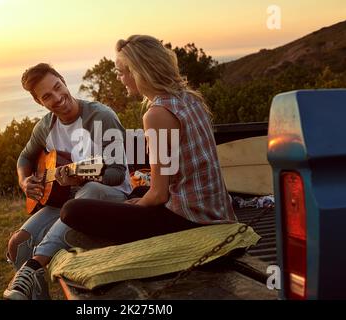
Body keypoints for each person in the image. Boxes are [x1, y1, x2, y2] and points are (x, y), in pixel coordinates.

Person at [60, 35, 237, 242]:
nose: (119, 79)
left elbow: (159, 195)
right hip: (214, 208)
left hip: (191, 220)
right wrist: (142, 199)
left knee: (71, 210)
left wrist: (140, 204)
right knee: (139, 190)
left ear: (137, 72)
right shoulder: (189, 97)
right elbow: (167, 178)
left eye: (120, 72)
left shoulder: (157, 115)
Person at [3, 63, 132, 300]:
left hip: (110, 196)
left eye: (57, 87)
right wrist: (24, 182)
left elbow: (117, 174)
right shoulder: (45, 127)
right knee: (18, 244)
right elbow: (25, 157)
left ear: (63, 79)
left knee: (91, 188)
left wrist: (83, 175)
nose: (57, 98)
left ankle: (34, 264)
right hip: (67, 199)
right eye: (47, 96)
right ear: (39, 102)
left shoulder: (101, 117)